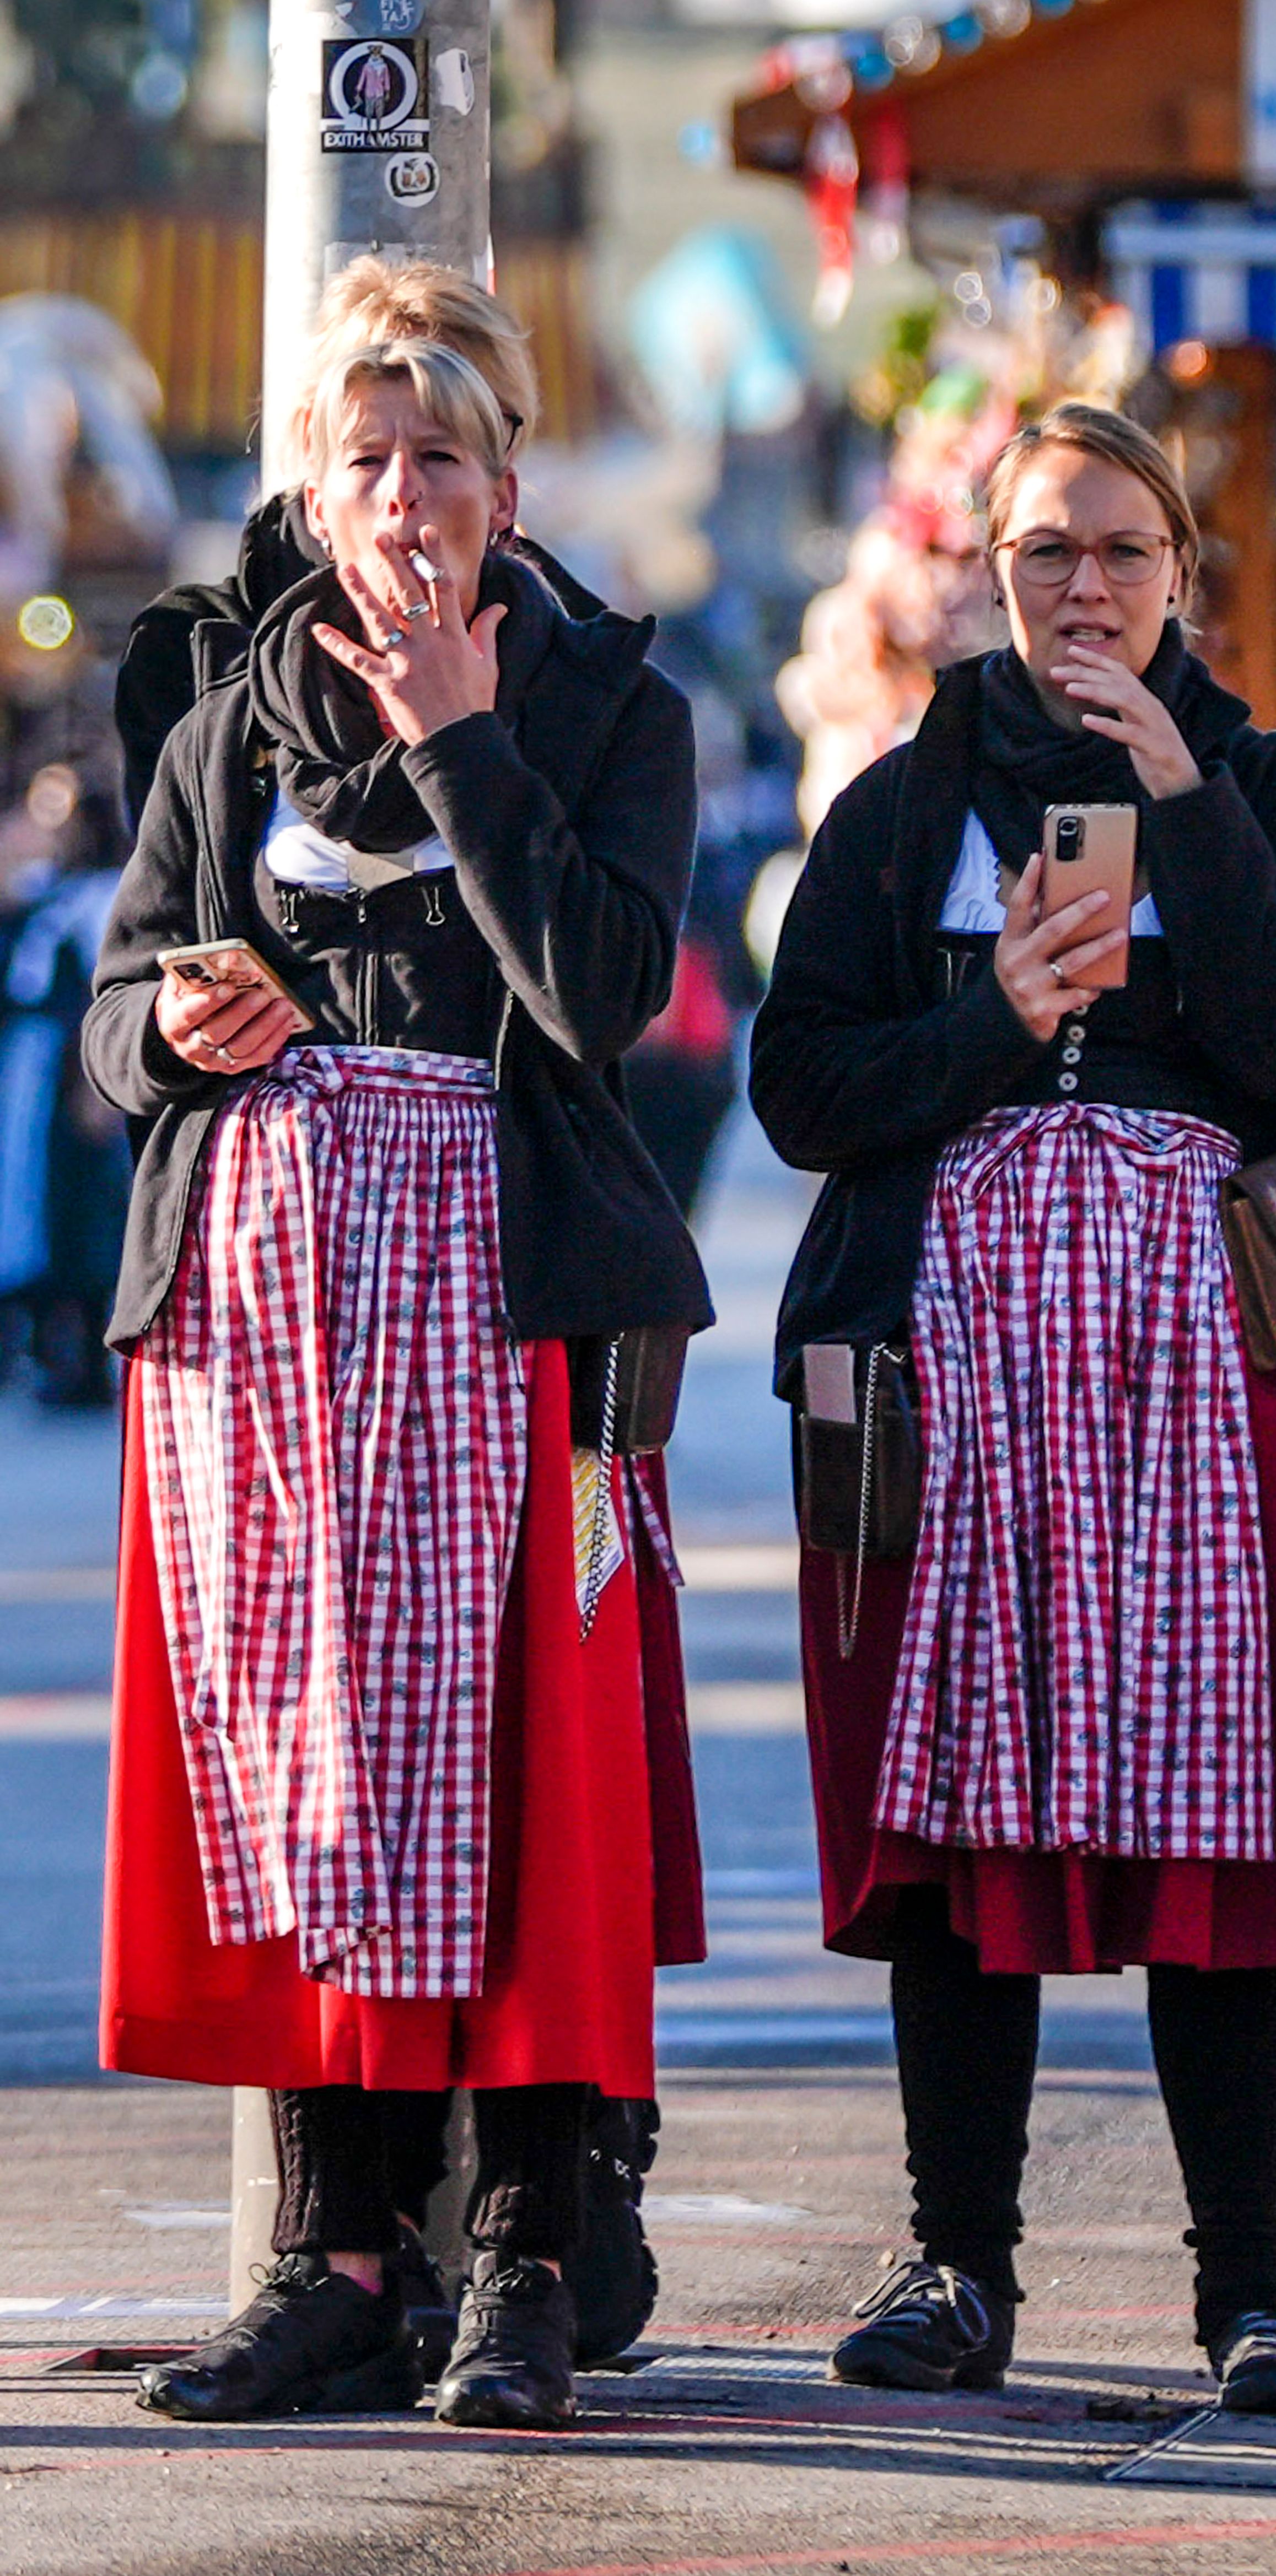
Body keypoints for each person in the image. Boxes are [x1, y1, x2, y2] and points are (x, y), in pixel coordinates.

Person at [750, 401, 1276, 2416]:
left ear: (1180, 577)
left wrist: (1183, 800)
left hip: (1205, 1365)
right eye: (1046, 550)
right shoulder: (900, 805)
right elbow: (808, 1090)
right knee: (964, 1822)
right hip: (953, 1365)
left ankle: (1257, 2283)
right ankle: (957, 2257)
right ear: (987, 566)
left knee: (1212, 1820)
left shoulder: (1263, 781)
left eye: (1121, 551)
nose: (1082, 589)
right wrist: (1001, 1015)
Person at [83, 337, 709, 2429]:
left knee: (532, 1770)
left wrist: (461, 744)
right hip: (262, 1324)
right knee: (300, 1766)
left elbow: (607, 989)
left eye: (448, 451)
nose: (412, 491)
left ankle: (527, 2250)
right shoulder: (219, 713)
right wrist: (178, 1027)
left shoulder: (612, 705)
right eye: (372, 456)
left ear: (508, 488)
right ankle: (339, 2247)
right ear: (317, 491)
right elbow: (107, 1027)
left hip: (512, 1302)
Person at [115, 257, 599, 833]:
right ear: (315, 440)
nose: (408, 485)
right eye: (374, 440)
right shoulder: (195, 649)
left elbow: (605, 918)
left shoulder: (591, 663)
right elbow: (166, 908)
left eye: (465, 434)